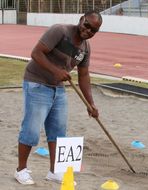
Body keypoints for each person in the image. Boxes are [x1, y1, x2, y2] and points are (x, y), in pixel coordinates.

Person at [14, 10, 102, 185]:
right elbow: (36, 53)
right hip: (37, 83)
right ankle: (21, 170)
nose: (89, 31)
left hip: (58, 89)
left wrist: (90, 103)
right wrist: (56, 71)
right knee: (31, 129)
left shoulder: (85, 48)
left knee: (58, 132)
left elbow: (83, 76)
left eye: (94, 30)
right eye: (87, 25)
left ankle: (55, 171)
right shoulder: (60, 31)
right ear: (81, 19)